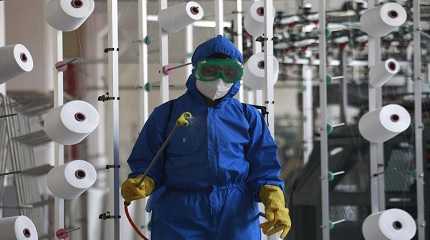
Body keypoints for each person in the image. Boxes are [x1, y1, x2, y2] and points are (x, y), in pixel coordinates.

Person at [121, 35, 291, 240]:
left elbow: (265, 166)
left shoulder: (248, 117)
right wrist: (143, 180)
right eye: (209, 71)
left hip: (235, 213)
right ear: (195, 70)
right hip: (179, 214)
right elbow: (147, 160)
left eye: (229, 72)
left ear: (237, 76)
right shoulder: (166, 114)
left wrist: (274, 198)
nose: (219, 81)